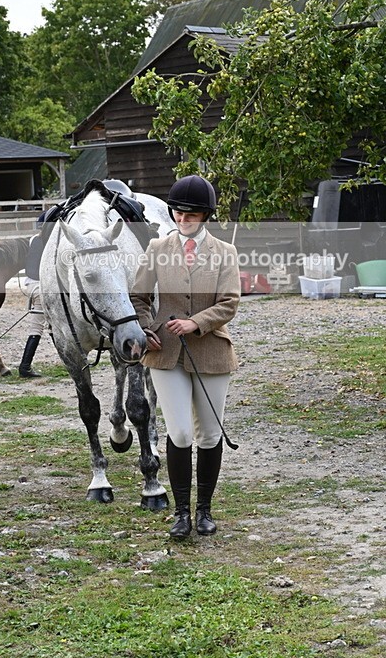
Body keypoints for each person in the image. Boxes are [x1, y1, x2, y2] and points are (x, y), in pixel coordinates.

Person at [130, 175, 240, 538]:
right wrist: (146, 328)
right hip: (165, 352)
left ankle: (205, 510)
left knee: (209, 435)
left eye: (190, 214)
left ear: (205, 215)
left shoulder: (225, 252)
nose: (182, 219)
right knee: (178, 432)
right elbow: (138, 297)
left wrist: (196, 323)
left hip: (211, 351)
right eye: (178, 212)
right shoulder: (157, 249)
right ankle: (181, 514)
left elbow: (229, 303)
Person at [18, 234, 46, 378]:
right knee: (37, 328)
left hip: (31, 285)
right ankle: (25, 366)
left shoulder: (34, 238)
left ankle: (68, 361)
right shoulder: (54, 238)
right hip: (41, 287)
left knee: (53, 325)